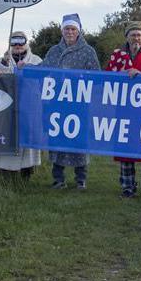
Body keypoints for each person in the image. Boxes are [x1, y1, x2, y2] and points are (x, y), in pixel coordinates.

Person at [39, 14, 100, 190]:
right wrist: (23, 69)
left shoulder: (88, 51)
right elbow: (43, 69)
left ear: (78, 31)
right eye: (67, 29)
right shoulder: (54, 51)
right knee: (57, 140)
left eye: (73, 29)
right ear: (62, 31)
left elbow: (97, 76)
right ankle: (59, 179)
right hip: (58, 104)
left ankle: (81, 179)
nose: (70, 32)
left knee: (79, 141)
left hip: (79, 104)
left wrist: (80, 78)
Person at [106, 21, 141, 202]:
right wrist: (123, 73)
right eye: (133, 35)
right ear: (127, 37)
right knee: (126, 149)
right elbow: (107, 77)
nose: (136, 38)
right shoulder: (117, 57)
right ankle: (127, 187)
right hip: (124, 110)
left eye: (139, 35)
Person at [0, 31, 43, 181]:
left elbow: (43, 79)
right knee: (7, 140)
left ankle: (26, 177)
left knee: (28, 143)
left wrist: (28, 69)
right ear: (10, 44)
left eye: (21, 42)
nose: (18, 45)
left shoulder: (36, 60)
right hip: (8, 109)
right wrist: (2, 68)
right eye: (14, 42)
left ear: (26, 42)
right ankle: (6, 177)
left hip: (29, 108)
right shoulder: (2, 61)